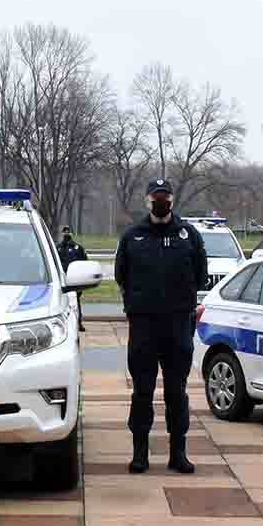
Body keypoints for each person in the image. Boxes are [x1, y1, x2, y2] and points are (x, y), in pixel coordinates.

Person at [113, 178, 207, 474]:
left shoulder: (188, 235)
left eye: (165, 197)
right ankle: (140, 454)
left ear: (173, 200)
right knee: (142, 391)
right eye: (156, 197)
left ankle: (178, 453)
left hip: (178, 326)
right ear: (147, 201)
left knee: (176, 392)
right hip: (143, 327)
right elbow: (121, 275)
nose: (161, 202)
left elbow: (201, 276)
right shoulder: (132, 237)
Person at [58, 227, 90, 332]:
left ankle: (78, 322)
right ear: (62, 234)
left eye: (68, 232)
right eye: (65, 232)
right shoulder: (58, 248)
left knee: (75, 302)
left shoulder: (78, 248)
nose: (66, 234)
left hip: (75, 279)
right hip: (62, 280)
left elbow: (85, 263)